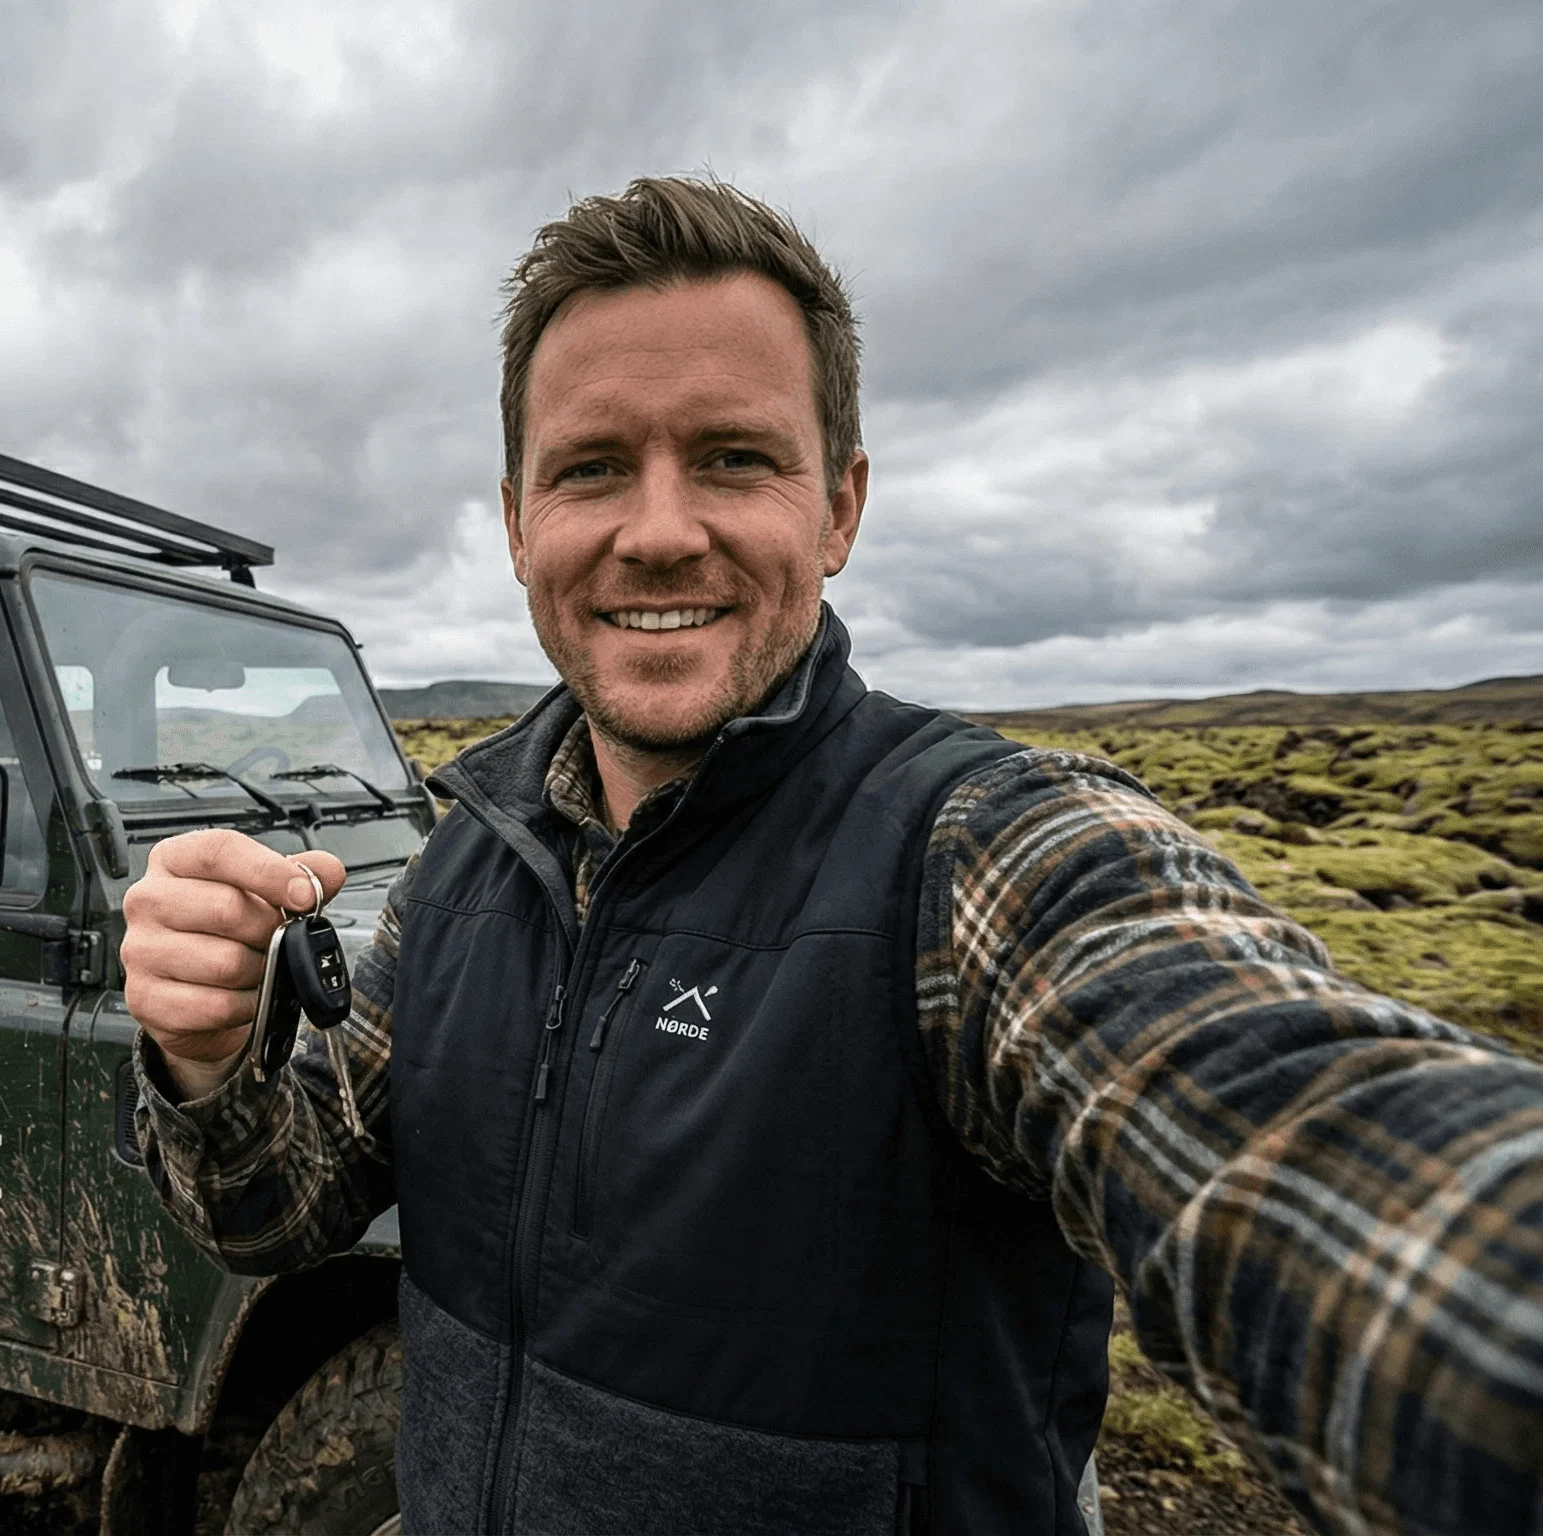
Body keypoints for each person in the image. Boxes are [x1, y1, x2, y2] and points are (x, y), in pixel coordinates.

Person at [125, 177, 1543, 1536]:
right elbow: (270, 1207)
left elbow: (1300, 1150)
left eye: (733, 459)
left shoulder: (982, 859)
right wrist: (204, 1060)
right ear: (515, 522)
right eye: (592, 469)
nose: (660, 531)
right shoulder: (462, 872)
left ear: (840, 506)